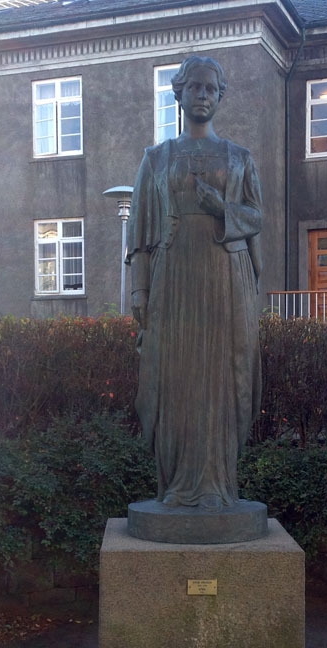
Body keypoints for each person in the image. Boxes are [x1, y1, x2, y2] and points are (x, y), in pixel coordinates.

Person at [127, 55, 262, 511]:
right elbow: (139, 233)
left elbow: (256, 218)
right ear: (179, 94)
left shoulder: (239, 158)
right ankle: (177, 487)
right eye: (195, 88)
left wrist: (221, 207)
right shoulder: (156, 159)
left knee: (223, 377)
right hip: (174, 278)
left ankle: (218, 486)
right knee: (176, 377)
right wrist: (139, 290)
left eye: (210, 89)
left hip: (226, 278)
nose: (203, 95)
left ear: (220, 97)